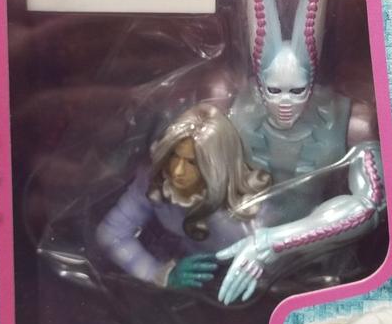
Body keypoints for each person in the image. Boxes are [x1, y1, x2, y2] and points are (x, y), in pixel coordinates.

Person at [96, 103, 271, 289]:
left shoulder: (249, 207)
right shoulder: (156, 182)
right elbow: (111, 233)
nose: (178, 171)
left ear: (215, 163)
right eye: (174, 156)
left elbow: (272, 255)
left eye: (192, 162)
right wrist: (159, 274)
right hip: (191, 280)